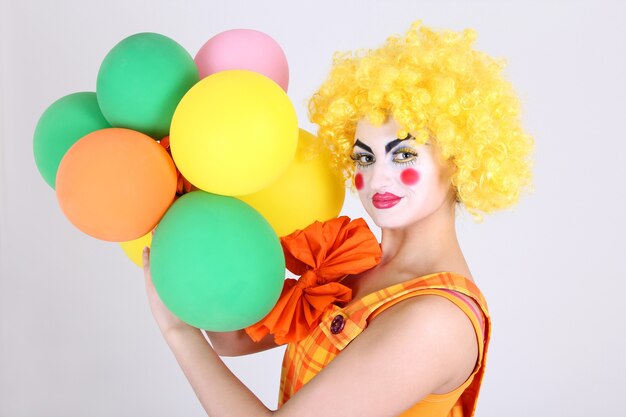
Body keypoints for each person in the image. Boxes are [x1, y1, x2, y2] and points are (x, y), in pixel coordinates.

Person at [142, 21, 533, 417]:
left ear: (457, 160)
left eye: (403, 155)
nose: (377, 177)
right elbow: (234, 338)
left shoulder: (436, 320)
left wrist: (178, 333)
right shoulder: (349, 264)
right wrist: (195, 204)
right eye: (365, 157)